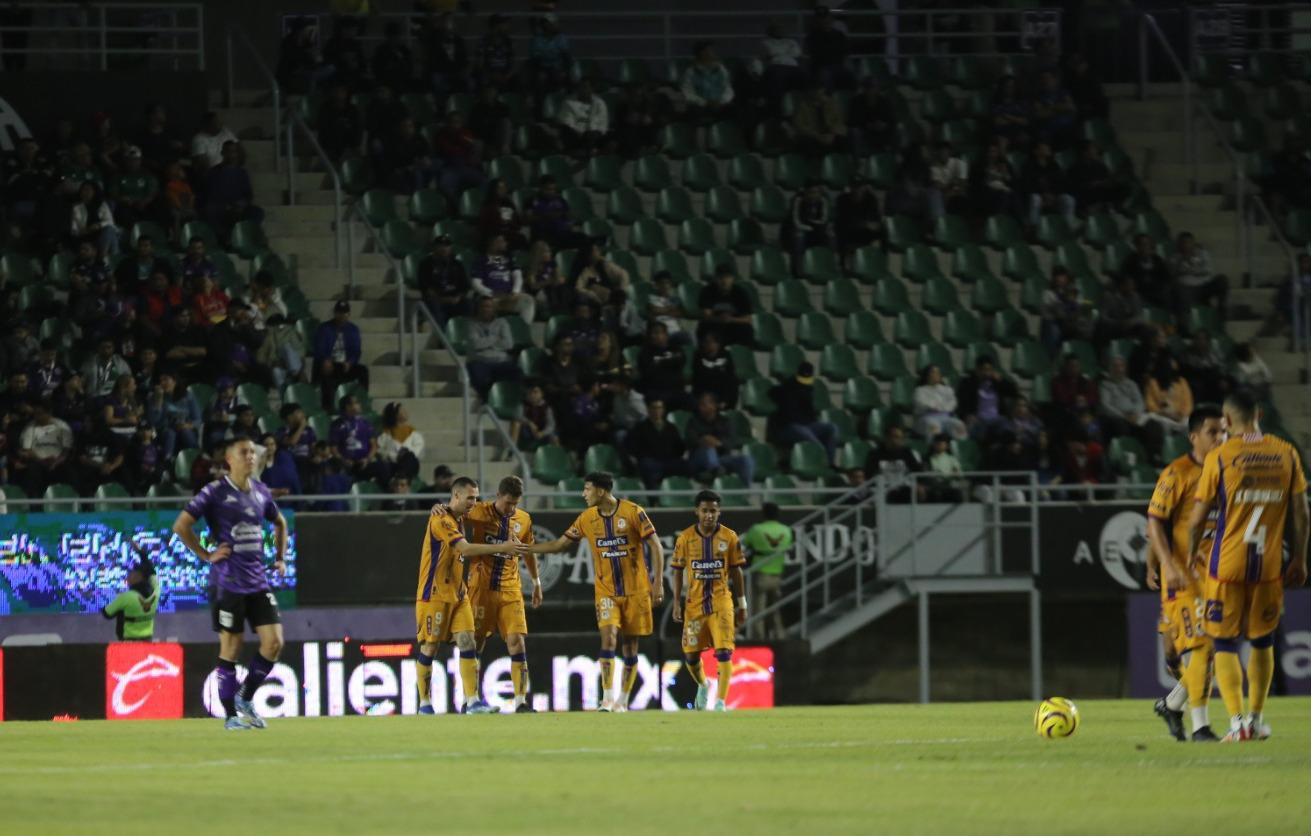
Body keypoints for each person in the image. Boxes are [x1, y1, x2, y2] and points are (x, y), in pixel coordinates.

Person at [1184, 391, 1309, 742]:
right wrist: (1299, 557)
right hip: (1269, 566)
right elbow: (1301, 512)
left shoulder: (1221, 457)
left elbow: (1196, 520)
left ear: (1226, 421)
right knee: (1262, 642)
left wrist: (1192, 553)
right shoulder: (1286, 452)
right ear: (1259, 414)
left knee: (1223, 643)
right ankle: (1255, 719)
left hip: (1226, 566)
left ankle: (1237, 723)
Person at [172, 437, 289, 730]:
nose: (250, 456)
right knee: (231, 647)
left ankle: (244, 697)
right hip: (228, 583)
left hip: (258, 582)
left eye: (252, 452)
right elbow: (181, 525)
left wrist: (280, 557)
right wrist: (206, 554)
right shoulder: (215, 492)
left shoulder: (261, 491)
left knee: (274, 643)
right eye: (244, 452)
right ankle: (230, 717)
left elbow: (280, 523)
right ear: (229, 459)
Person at [528, 471, 666, 712]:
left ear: (601, 491)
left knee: (630, 645)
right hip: (606, 591)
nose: (583, 494)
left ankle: (623, 699)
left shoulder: (634, 512)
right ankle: (607, 698)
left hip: (636, 590)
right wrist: (527, 548)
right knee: (609, 637)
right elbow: (560, 545)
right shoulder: (586, 518)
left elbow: (656, 546)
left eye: (587, 489)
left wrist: (658, 583)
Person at [413, 476, 528, 715]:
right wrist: (502, 547)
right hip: (433, 594)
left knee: (468, 641)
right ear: (456, 496)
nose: (474, 503)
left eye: (476, 498)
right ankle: (424, 703)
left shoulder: (461, 516)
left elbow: (487, 511)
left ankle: (473, 701)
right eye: (470, 498)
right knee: (430, 648)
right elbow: (464, 549)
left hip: (459, 593)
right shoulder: (441, 520)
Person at [1145, 405, 1224, 742]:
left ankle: (1171, 704)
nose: (1220, 437)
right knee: (1202, 646)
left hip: (1215, 576)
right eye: (1212, 432)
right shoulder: (1177, 473)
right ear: (1194, 437)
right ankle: (1201, 727)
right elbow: (1155, 522)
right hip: (1182, 576)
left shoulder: (1227, 472)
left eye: (1223, 431)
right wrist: (1165, 564)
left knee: (1218, 648)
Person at [463, 476, 543, 713]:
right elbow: (452, 515)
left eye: (515, 504)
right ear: (498, 496)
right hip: (481, 587)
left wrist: (537, 582)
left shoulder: (524, 520)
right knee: (476, 643)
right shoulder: (478, 512)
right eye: (508, 503)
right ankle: (470, 699)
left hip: (510, 588)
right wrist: (441, 508)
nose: (511, 508)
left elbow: (528, 551)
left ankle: (521, 701)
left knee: (517, 641)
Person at [671, 490, 747, 712]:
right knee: (691, 655)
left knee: (724, 651)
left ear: (719, 511)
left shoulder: (730, 537)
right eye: (705, 511)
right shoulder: (685, 538)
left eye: (713, 511)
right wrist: (676, 602)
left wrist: (742, 604)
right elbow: (677, 571)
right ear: (697, 511)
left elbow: (737, 572)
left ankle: (721, 702)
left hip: (721, 602)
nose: (709, 515)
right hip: (694, 605)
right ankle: (703, 685)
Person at [741, 502, 791, 641]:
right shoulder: (786, 530)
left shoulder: (757, 529)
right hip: (778, 574)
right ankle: (779, 636)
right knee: (775, 610)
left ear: (763, 514)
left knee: (759, 611)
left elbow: (745, 545)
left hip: (761, 573)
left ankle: (759, 639)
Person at [769, 362, 837, 464]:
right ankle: (821, 462)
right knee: (811, 439)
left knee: (831, 428)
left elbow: (811, 412)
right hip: (789, 427)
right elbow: (772, 393)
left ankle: (830, 463)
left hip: (807, 424)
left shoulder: (809, 389)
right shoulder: (788, 386)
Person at [685, 391, 754, 486]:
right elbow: (689, 441)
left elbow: (731, 442)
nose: (701, 407)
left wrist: (718, 443)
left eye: (705, 404)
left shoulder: (725, 421)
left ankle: (745, 490)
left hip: (722, 458)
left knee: (745, 460)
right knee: (709, 451)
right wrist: (703, 441)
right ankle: (716, 472)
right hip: (699, 458)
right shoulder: (693, 421)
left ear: (714, 405)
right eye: (700, 404)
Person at [312, 300, 368, 410]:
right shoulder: (324, 328)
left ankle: (362, 401)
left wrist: (350, 362)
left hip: (344, 365)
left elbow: (356, 351)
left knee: (363, 371)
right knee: (327, 374)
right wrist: (325, 359)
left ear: (349, 314)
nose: (342, 315)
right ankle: (328, 408)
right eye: (339, 312)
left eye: (345, 313)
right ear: (335, 313)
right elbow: (319, 348)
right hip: (328, 364)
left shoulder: (353, 330)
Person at [625, 398, 688, 489]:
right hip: (650, 461)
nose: (657, 411)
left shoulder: (671, 427)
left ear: (663, 410)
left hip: (669, 461)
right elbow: (631, 445)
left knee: (685, 466)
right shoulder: (640, 427)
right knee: (647, 467)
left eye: (659, 408)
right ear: (649, 409)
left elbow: (679, 447)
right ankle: (653, 500)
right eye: (654, 408)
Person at [472, 234, 536, 323]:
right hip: (490, 297)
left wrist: (515, 292)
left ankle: (523, 330)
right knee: (487, 305)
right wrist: (490, 294)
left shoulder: (507, 259)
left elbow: (517, 275)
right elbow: (476, 283)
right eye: (501, 241)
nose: (505, 244)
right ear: (493, 243)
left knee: (527, 301)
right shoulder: (481, 260)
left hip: (508, 297)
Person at [466, 296, 521, 397]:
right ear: (478, 308)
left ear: (494, 309)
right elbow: (475, 344)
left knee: (517, 373)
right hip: (480, 361)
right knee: (478, 377)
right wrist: (496, 338)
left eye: (489, 306)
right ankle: (487, 403)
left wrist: (485, 344)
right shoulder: (472, 324)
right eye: (483, 306)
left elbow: (509, 344)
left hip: (501, 361)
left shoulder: (502, 322)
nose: (486, 309)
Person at [100, 548, 160, 641]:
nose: (127, 579)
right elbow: (152, 572)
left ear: (138, 577)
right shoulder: (156, 592)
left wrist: (118, 607)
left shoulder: (126, 597)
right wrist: (142, 553)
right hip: (148, 639)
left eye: (130, 575)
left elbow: (107, 613)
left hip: (129, 641)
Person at [1169, 232, 1228, 320]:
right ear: (1179, 245)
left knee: (1222, 279)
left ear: (1193, 243)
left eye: (1189, 242)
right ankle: (1187, 321)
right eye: (1183, 242)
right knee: (1178, 290)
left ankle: (1221, 310)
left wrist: (1190, 270)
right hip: (1186, 289)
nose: (1186, 245)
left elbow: (1208, 271)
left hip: (1204, 287)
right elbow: (1174, 273)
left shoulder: (1203, 254)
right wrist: (1184, 260)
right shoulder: (1174, 258)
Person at [417, 233, 471, 326]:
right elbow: (425, 287)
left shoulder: (457, 264)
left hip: (455, 299)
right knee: (434, 306)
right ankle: (441, 337)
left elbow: (465, 285)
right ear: (434, 247)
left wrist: (458, 297)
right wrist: (442, 299)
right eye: (440, 245)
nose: (444, 248)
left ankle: (465, 335)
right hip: (437, 299)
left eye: (447, 246)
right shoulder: (425, 264)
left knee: (468, 304)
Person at [696, 264, 753, 347]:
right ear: (715, 279)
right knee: (705, 327)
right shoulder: (707, 291)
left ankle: (743, 355)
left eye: (727, 277)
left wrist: (731, 319)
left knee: (747, 329)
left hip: (733, 325)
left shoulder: (740, 293)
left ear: (733, 278)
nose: (724, 281)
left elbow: (748, 319)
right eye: (721, 277)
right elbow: (706, 315)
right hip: (714, 324)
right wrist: (719, 319)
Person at [1021, 142, 1075, 228]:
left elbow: (1062, 183)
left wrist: (1054, 195)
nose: (1047, 149)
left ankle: (1066, 227)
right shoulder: (1029, 166)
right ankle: (1033, 227)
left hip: (1054, 196)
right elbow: (1027, 185)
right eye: (1044, 147)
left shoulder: (1053, 165)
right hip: (1038, 196)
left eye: (1047, 147)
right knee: (1035, 199)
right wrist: (1043, 195)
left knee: (1068, 199)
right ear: (1036, 151)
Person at [784, 182, 832, 277]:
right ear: (806, 192)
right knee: (799, 237)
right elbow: (796, 221)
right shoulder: (798, 200)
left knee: (830, 236)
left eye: (816, 192)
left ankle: (827, 267)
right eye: (811, 192)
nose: (814, 195)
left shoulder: (823, 200)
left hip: (815, 229)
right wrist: (808, 227)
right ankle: (797, 270)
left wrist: (814, 226)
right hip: (798, 229)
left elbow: (824, 220)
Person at [681, 41, 734, 122]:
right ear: (701, 53)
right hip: (701, 106)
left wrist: (722, 101)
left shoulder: (721, 70)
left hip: (720, 104)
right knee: (694, 112)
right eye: (708, 50)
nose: (711, 53)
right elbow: (688, 92)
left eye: (711, 50)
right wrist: (704, 103)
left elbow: (728, 89)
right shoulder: (691, 72)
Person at [792, 80, 848, 156]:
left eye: (821, 91)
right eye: (816, 91)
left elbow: (838, 121)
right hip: (814, 137)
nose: (819, 94)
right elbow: (800, 126)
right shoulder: (803, 106)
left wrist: (832, 134)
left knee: (844, 139)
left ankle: (845, 163)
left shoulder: (830, 103)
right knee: (806, 142)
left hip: (830, 135)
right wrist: (817, 136)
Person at [557, 79, 609, 157]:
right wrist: (581, 133)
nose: (582, 90)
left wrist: (594, 133)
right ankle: (590, 152)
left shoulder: (599, 103)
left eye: (585, 87)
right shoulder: (568, 103)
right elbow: (568, 122)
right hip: (576, 135)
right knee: (566, 131)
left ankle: (588, 152)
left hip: (594, 135)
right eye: (580, 87)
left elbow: (603, 123)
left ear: (592, 89)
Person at [912, 365, 966, 440]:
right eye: (933, 372)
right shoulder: (920, 390)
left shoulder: (947, 389)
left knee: (959, 425)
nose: (937, 375)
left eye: (938, 373)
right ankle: (934, 448)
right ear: (927, 375)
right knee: (933, 426)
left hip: (945, 416)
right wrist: (934, 407)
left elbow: (952, 403)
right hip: (927, 417)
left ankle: (960, 448)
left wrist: (942, 408)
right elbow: (921, 404)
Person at [1120, 233, 1173, 310]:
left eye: (1148, 244)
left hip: (1156, 291)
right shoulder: (1130, 261)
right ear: (1137, 247)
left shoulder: (1157, 260)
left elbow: (1166, 277)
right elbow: (1125, 277)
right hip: (1138, 291)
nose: (1145, 247)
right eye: (1142, 244)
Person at [376, 402, 424, 482]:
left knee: (410, 458)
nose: (406, 412)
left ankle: (401, 478)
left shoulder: (412, 432)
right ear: (395, 415)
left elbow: (419, 448)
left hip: (410, 464)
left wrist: (406, 454)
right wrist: (395, 456)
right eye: (402, 410)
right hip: (393, 465)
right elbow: (380, 450)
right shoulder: (386, 434)